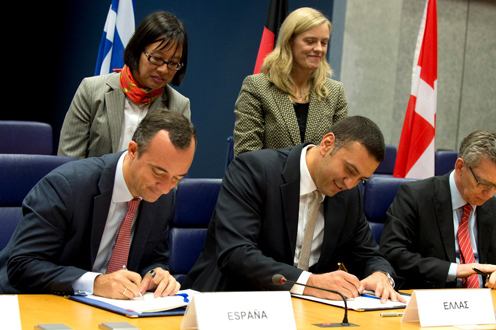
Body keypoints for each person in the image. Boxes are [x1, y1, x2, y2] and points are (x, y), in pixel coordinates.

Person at [184, 116, 405, 303]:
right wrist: (311, 283)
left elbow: (367, 253)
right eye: (349, 170)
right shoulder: (253, 171)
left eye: (361, 179)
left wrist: (381, 275)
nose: (350, 183)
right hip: (233, 301)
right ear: (327, 144)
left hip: (305, 311)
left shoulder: (349, 195)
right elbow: (236, 254)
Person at [0, 110, 197, 299]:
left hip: (106, 309)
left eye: (176, 178)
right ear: (133, 150)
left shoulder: (164, 197)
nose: (165, 187)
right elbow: (23, 265)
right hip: (33, 301)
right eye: (159, 173)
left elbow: (154, 258)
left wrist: (156, 274)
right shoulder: (68, 186)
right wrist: (94, 283)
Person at [58, 11, 190, 159]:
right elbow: (68, 164)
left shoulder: (178, 106)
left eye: (172, 63)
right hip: (90, 182)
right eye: (156, 58)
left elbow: (173, 169)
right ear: (137, 50)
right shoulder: (91, 90)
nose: (163, 69)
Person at [380, 130, 496, 289]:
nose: (490, 194)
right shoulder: (416, 197)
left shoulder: (493, 206)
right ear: (460, 167)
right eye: (484, 184)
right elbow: (392, 253)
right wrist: (455, 270)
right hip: (435, 301)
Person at [233, 7, 348, 157]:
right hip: (269, 179)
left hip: (318, 181)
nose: (319, 49)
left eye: (324, 42)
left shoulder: (335, 92)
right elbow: (246, 154)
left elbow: (339, 152)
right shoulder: (257, 87)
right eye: (310, 41)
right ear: (289, 41)